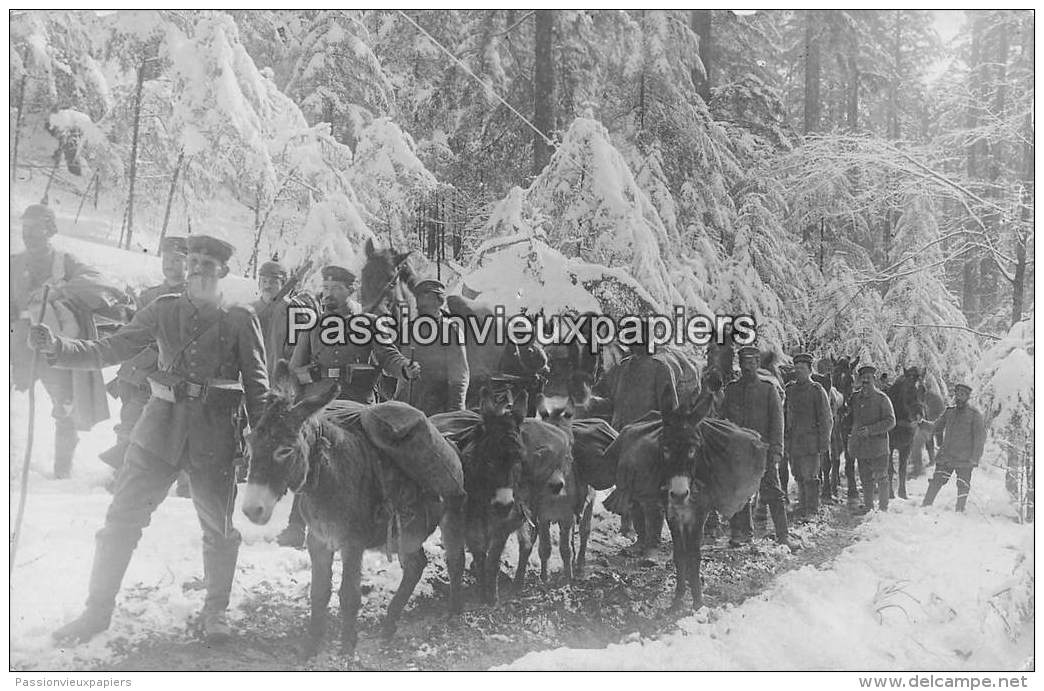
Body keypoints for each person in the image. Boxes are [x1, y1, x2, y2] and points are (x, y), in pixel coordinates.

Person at [32, 235, 269, 645]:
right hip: (157, 431)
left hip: (214, 438)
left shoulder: (239, 318)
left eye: (206, 264)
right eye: (191, 261)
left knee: (218, 529)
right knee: (119, 522)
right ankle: (96, 612)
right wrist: (59, 347)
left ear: (224, 272)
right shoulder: (163, 310)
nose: (196, 269)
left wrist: (262, 445)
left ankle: (216, 611)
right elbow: (113, 347)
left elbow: (258, 387)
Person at [274, 265, 419, 548]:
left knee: (378, 450)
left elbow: (389, 356)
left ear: (350, 291)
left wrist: (404, 368)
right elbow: (293, 372)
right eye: (325, 288)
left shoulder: (369, 323)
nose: (328, 294)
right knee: (308, 455)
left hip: (357, 402)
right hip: (319, 406)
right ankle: (296, 525)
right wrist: (310, 377)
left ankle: (386, 513)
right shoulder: (312, 326)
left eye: (335, 289)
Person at [11, 203, 118, 478]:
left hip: (52, 344)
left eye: (36, 228)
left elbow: (99, 282)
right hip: (17, 346)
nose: (29, 234)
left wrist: (61, 291)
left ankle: (61, 472)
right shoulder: (12, 263)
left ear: (50, 230)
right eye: (26, 228)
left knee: (65, 406)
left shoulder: (65, 261)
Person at [99, 236, 188, 482]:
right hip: (137, 372)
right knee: (128, 421)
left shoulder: (193, 298)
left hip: (168, 374)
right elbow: (131, 331)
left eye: (177, 260)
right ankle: (121, 476)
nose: (169, 264)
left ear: (188, 264)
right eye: (166, 259)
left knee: (164, 429)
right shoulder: (150, 295)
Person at [722, 345, 797, 551]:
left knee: (772, 491)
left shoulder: (768, 390)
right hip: (738, 452)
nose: (747, 367)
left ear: (757, 363)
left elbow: (777, 422)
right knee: (739, 493)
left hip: (762, 451)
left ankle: (783, 536)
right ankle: (741, 533)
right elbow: (723, 420)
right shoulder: (731, 390)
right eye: (743, 363)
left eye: (751, 362)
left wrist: (776, 450)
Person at [393, 279, 469, 416]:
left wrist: (455, 413)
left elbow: (459, 377)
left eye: (427, 300)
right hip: (404, 409)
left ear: (440, 302)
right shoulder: (409, 328)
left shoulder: (450, 329)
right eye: (419, 300)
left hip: (435, 412)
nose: (421, 304)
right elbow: (395, 365)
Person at [922, 384, 986, 512]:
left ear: (967, 397)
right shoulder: (949, 412)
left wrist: (975, 458)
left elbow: (980, 438)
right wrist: (922, 423)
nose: (959, 397)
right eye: (957, 394)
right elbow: (936, 426)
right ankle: (925, 507)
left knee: (963, 485)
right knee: (936, 481)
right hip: (946, 457)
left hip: (964, 459)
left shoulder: (975, 415)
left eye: (962, 395)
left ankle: (959, 511)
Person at [784, 353, 833, 518]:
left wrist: (824, 443)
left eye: (802, 369)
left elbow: (826, 419)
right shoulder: (790, 389)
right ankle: (802, 504)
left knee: (810, 475)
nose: (799, 371)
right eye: (796, 368)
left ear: (810, 370)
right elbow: (785, 415)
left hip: (811, 441)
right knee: (798, 473)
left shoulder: (817, 391)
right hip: (794, 441)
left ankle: (812, 508)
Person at [847, 364, 896, 515]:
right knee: (865, 478)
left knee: (881, 477)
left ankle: (883, 509)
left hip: (878, 446)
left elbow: (891, 421)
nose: (866, 381)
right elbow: (851, 417)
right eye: (863, 378)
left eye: (868, 378)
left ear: (874, 379)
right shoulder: (855, 398)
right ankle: (868, 507)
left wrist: (870, 430)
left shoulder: (882, 399)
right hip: (861, 446)